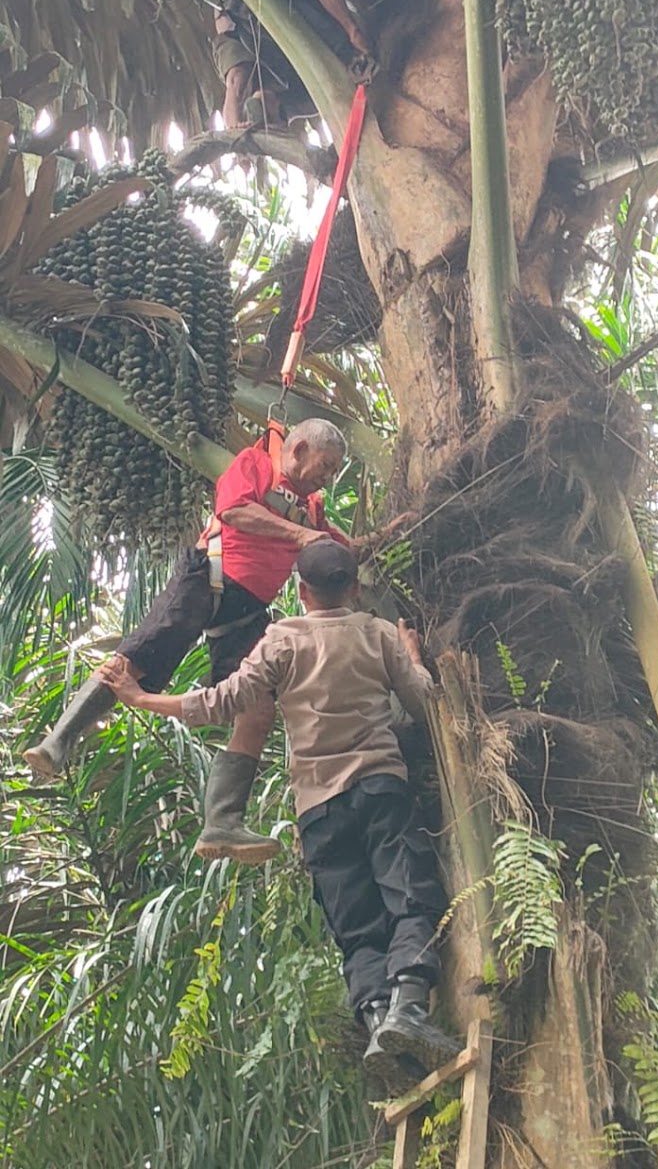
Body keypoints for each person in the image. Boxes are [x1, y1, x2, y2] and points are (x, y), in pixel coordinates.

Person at [99, 539, 461, 1086]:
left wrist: (141, 697)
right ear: (355, 588)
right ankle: (409, 1005)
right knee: (409, 895)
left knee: (356, 925)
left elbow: (221, 701)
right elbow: (422, 701)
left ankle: (379, 1020)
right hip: (380, 788)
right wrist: (410, 653)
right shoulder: (377, 633)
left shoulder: (281, 640)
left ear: (300, 590)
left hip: (318, 810)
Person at [24, 419, 409, 865]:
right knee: (146, 652)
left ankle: (222, 822)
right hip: (210, 578)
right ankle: (60, 740)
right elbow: (234, 511)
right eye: (325, 466)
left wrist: (387, 534)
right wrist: (300, 534)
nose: (328, 477)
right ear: (299, 449)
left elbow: (341, 549)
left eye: (334, 471)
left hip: (245, 615)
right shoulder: (256, 464)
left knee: (257, 706)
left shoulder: (312, 507)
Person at [212, 0, 374, 129]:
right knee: (343, 66)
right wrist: (352, 30)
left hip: (250, 24)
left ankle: (266, 103)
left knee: (313, 94)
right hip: (281, 12)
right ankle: (264, 107)